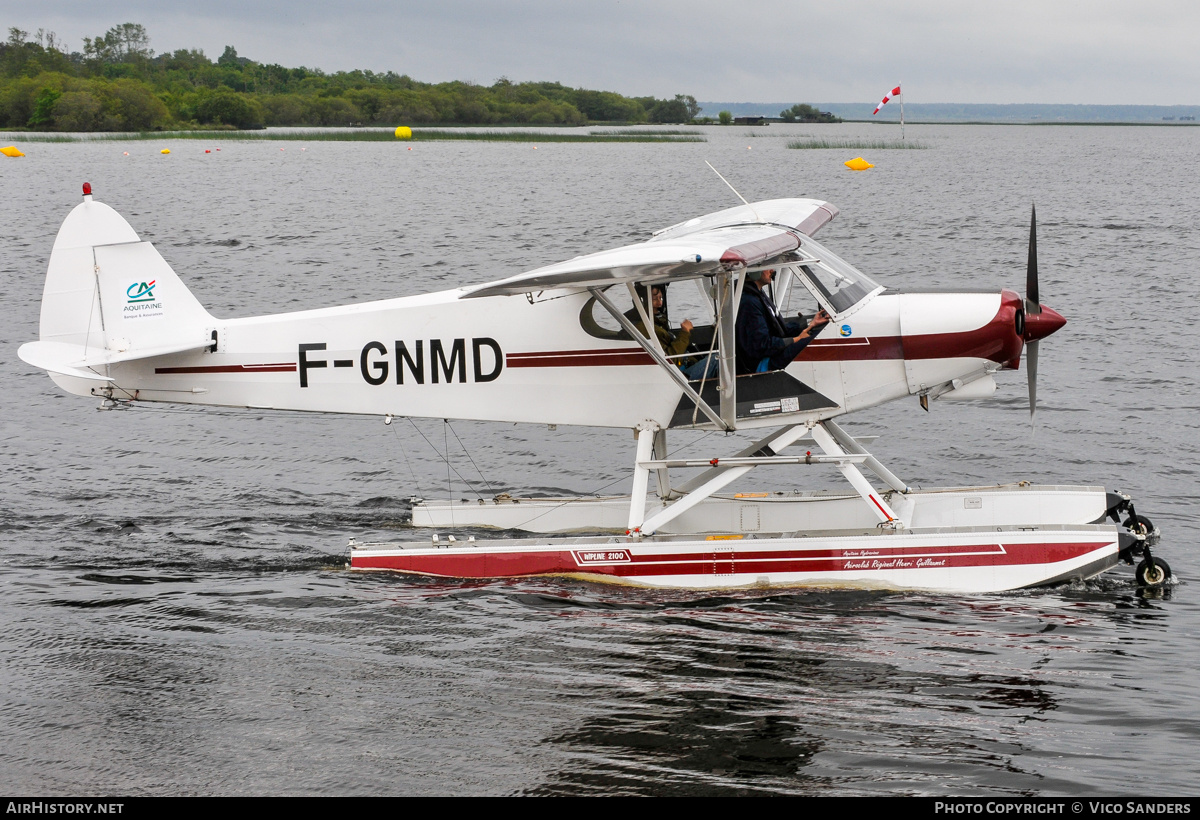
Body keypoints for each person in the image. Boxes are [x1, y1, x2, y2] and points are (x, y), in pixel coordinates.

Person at [735, 268, 830, 374]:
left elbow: (777, 328)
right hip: (761, 363)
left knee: (819, 332)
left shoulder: (757, 294)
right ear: (754, 271)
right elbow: (761, 345)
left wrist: (810, 324)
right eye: (768, 267)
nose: (773, 271)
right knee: (817, 339)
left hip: (769, 354)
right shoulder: (749, 302)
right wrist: (797, 339)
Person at [626, 285, 719, 380]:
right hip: (679, 376)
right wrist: (685, 332)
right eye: (654, 299)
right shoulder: (644, 329)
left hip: (682, 368)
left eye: (660, 298)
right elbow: (671, 359)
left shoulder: (656, 324)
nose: (660, 303)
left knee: (714, 356)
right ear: (642, 302)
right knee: (718, 359)